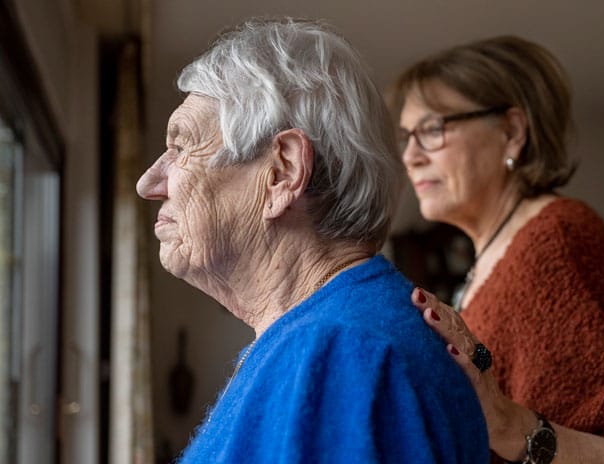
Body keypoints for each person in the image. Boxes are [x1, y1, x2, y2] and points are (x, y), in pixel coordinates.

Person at [136, 18, 488, 463]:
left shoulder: (338, 354)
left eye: (183, 147)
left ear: (282, 173)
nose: (149, 183)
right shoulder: (320, 340)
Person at [392, 36, 604, 463]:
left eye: (433, 129)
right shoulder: (493, 257)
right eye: (406, 137)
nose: (411, 156)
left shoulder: (559, 240)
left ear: (511, 132)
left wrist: (506, 424)